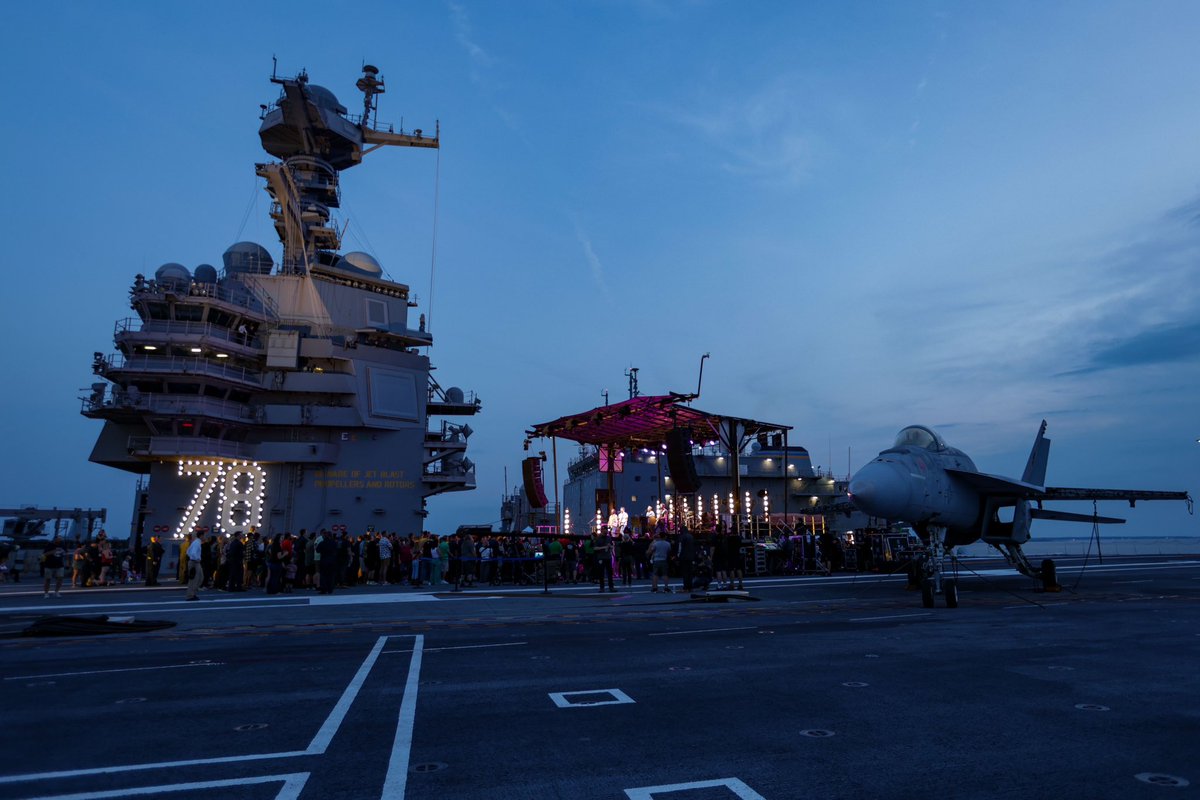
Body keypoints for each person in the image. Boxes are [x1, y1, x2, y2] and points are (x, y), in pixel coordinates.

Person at [677, 525, 697, 593]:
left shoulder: (682, 537)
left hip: (684, 556)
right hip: (691, 556)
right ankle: (690, 587)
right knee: (690, 572)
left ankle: (686, 587)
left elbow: (680, 547)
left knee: (685, 572)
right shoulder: (691, 536)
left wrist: (678, 555)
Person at [184, 532, 204, 600]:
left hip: (194, 562)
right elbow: (192, 553)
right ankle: (190, 595)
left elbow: (188, 552)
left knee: (199, 578)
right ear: (201, 536)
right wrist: (196, 559)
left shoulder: (195, 542)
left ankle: (193, 593)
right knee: (194, 579)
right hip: (194, 562)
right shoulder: (197, 543)